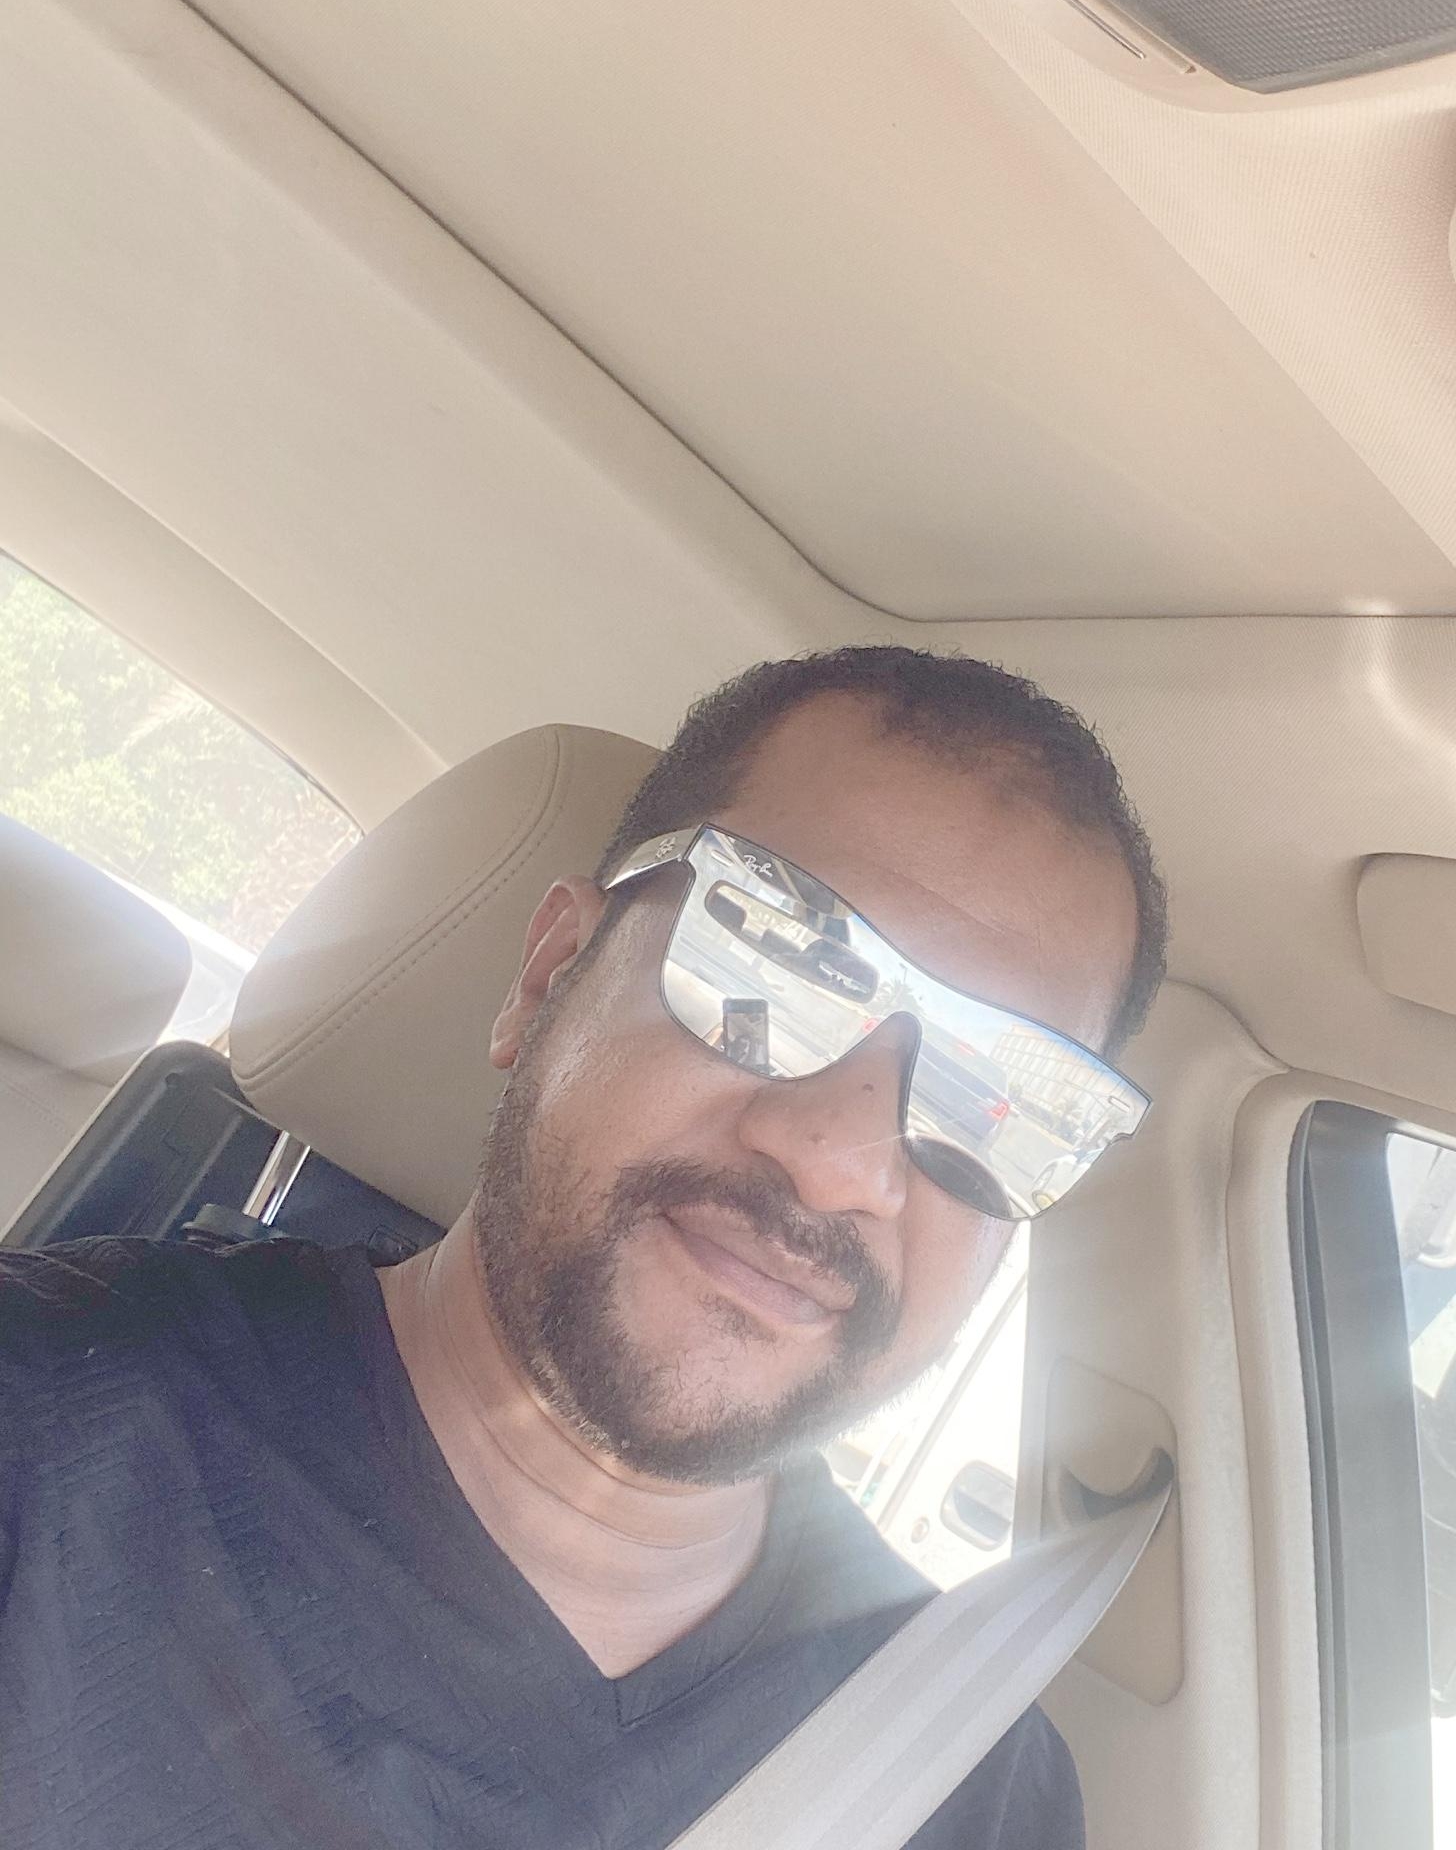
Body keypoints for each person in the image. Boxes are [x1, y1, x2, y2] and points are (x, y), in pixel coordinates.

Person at [0, 647, 1168, 1849]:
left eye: (1002, 1104)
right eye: (771, 961)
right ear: (551, 974)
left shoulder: (967, 1785)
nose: (842, 1163)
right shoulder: (41, 1429)